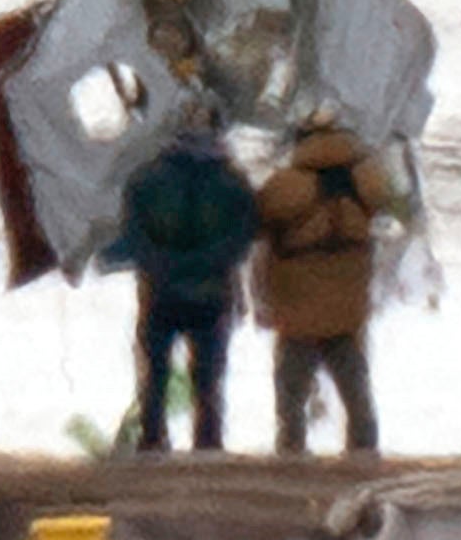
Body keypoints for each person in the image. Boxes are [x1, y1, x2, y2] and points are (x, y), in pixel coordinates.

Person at [115, 118, 254, 457]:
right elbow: (243, 238)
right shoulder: (233, 183)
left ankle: (152, 436)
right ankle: (207, 440)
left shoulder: (146, 180)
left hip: (160, 291)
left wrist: (161, 263)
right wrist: (209, 262)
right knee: (208, 373)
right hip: (211, 292)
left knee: (156, 369)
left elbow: (132, 236)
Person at [252, 115, 386, 458]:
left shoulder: (285, 185)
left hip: (297, 304)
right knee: (355, 387)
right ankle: (364, 452)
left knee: (291, 392)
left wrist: (261, 297)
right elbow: (395, 210)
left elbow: (257, 224)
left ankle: (292, 451)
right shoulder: (367, 179)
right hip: (349, 304)